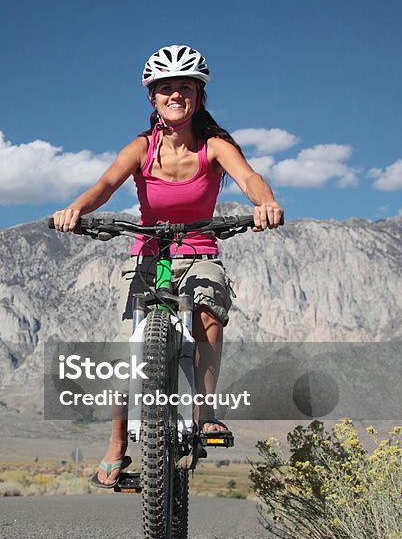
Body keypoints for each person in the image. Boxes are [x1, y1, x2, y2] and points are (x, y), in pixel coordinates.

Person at [52, 45, 284, 488]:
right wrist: (75, 209)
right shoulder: (141, 148)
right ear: (152, 99)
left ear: (198, 95)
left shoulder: (215, 146)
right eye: (165, 89)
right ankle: (117, 446)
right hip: (151, 257)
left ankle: (205, 413)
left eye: (184, 87)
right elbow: (104, 185)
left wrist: (265, 202)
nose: (175, 95)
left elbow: (250, 178)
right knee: (127, 350)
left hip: (198, 251)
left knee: (209, 309)